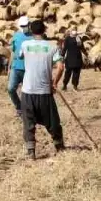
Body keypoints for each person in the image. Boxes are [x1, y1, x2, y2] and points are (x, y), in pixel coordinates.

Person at [18, 20, 65, 159]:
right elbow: (61, 67)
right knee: (52, 121)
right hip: (45, 91)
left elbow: (20, 56)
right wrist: (54, 82)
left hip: (28, 91)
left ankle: (31, 151)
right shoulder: (52, 47)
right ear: (44, 30)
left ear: (31, 31)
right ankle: (59, 146)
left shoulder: (25, 45)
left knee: (28, 122)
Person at [6, 16, 32, 116]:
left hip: (28, 68)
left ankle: (27, 110)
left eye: (26, 25)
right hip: (16, 67)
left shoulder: (33, 37)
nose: (24, 27)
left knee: (27, 92)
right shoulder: (16, 36)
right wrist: (9, 67)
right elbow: (13, 52)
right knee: (11, 88)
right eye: (22, 26)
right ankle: (18, 106)